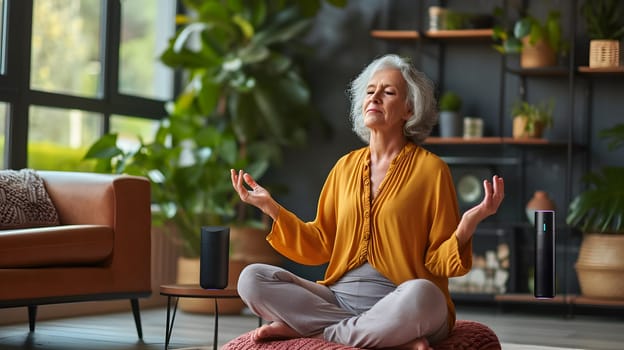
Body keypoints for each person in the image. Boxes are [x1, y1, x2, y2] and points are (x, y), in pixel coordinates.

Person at [230, 53, 505, 350]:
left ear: (409, 109)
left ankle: (317, 334)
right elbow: (320, 243)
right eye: (370, 92)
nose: (375, 97)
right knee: (252, 279)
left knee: (424, 295)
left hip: (402, 299)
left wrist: (467, 225)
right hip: (338, 299)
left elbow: (437, 261)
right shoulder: (344, 167)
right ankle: (389, 341)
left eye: (388, 92)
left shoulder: (431, 170)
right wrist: (270, 207)